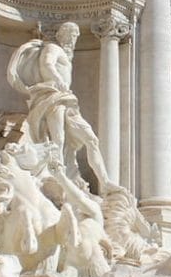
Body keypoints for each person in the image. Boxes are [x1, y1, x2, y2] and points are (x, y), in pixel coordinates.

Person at [7, 22, 113, 192]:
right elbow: (46, 64)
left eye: (76, 36)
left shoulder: (64, 53)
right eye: (71, 35)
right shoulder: (52, 48)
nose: (73, 40)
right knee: (59, 139)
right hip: (53, 95)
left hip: (67, 99)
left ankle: (105, 182)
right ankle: (59, 178)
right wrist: (58, 80)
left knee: (91, 138)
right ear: (62, 34)